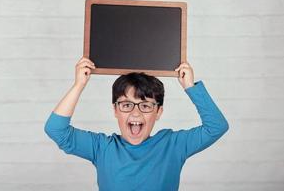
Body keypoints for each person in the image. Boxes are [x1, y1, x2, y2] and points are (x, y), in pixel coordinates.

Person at [44, 56, 229, 191]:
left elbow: (216, 126)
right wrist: (79, 85)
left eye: (146, 105)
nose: (135, 112)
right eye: (126, 105)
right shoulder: (101, 147)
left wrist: (190, 86)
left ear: (159, 112)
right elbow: (56, 129)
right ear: (115, 110)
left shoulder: (173, 145)